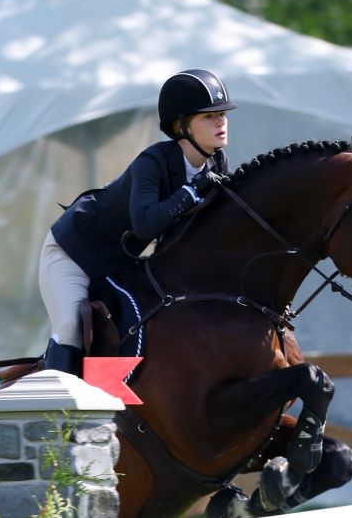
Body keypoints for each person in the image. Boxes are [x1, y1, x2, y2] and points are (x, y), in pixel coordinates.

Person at [39, 69, 237, 375]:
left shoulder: (217, 163)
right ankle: (54, 417)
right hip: (73, 252)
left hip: (120, 263)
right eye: (208, 117)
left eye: (222, 114)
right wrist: (190, 192)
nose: (220, 121)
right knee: (70, 327)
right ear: (181, 124)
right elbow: (145, 224)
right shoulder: (153, 162)